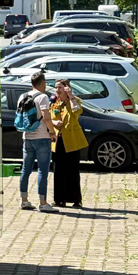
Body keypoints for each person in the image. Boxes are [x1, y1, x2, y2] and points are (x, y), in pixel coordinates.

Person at [18, 71, 57, 213]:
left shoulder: (23, 96)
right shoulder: (43, 97)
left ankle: (24, 200)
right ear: (43, 83)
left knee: (25, 170)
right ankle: (43, 202)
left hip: (27, 137)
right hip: (42, 137)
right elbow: (46, 117)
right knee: (42, 170)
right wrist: (52, 132)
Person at [50, 79, 88, 208]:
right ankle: (59, 199)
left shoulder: (74, 100)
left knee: (72, 171)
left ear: (67, 88)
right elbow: (49, 117)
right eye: (56, 88)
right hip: (58, 140)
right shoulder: (55, 101)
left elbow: (77, 111)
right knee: (58, 171)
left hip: (72, 140)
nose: (57, 90)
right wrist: (54, 123)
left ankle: (76, 200)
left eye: (60, 88)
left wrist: (71, 96)